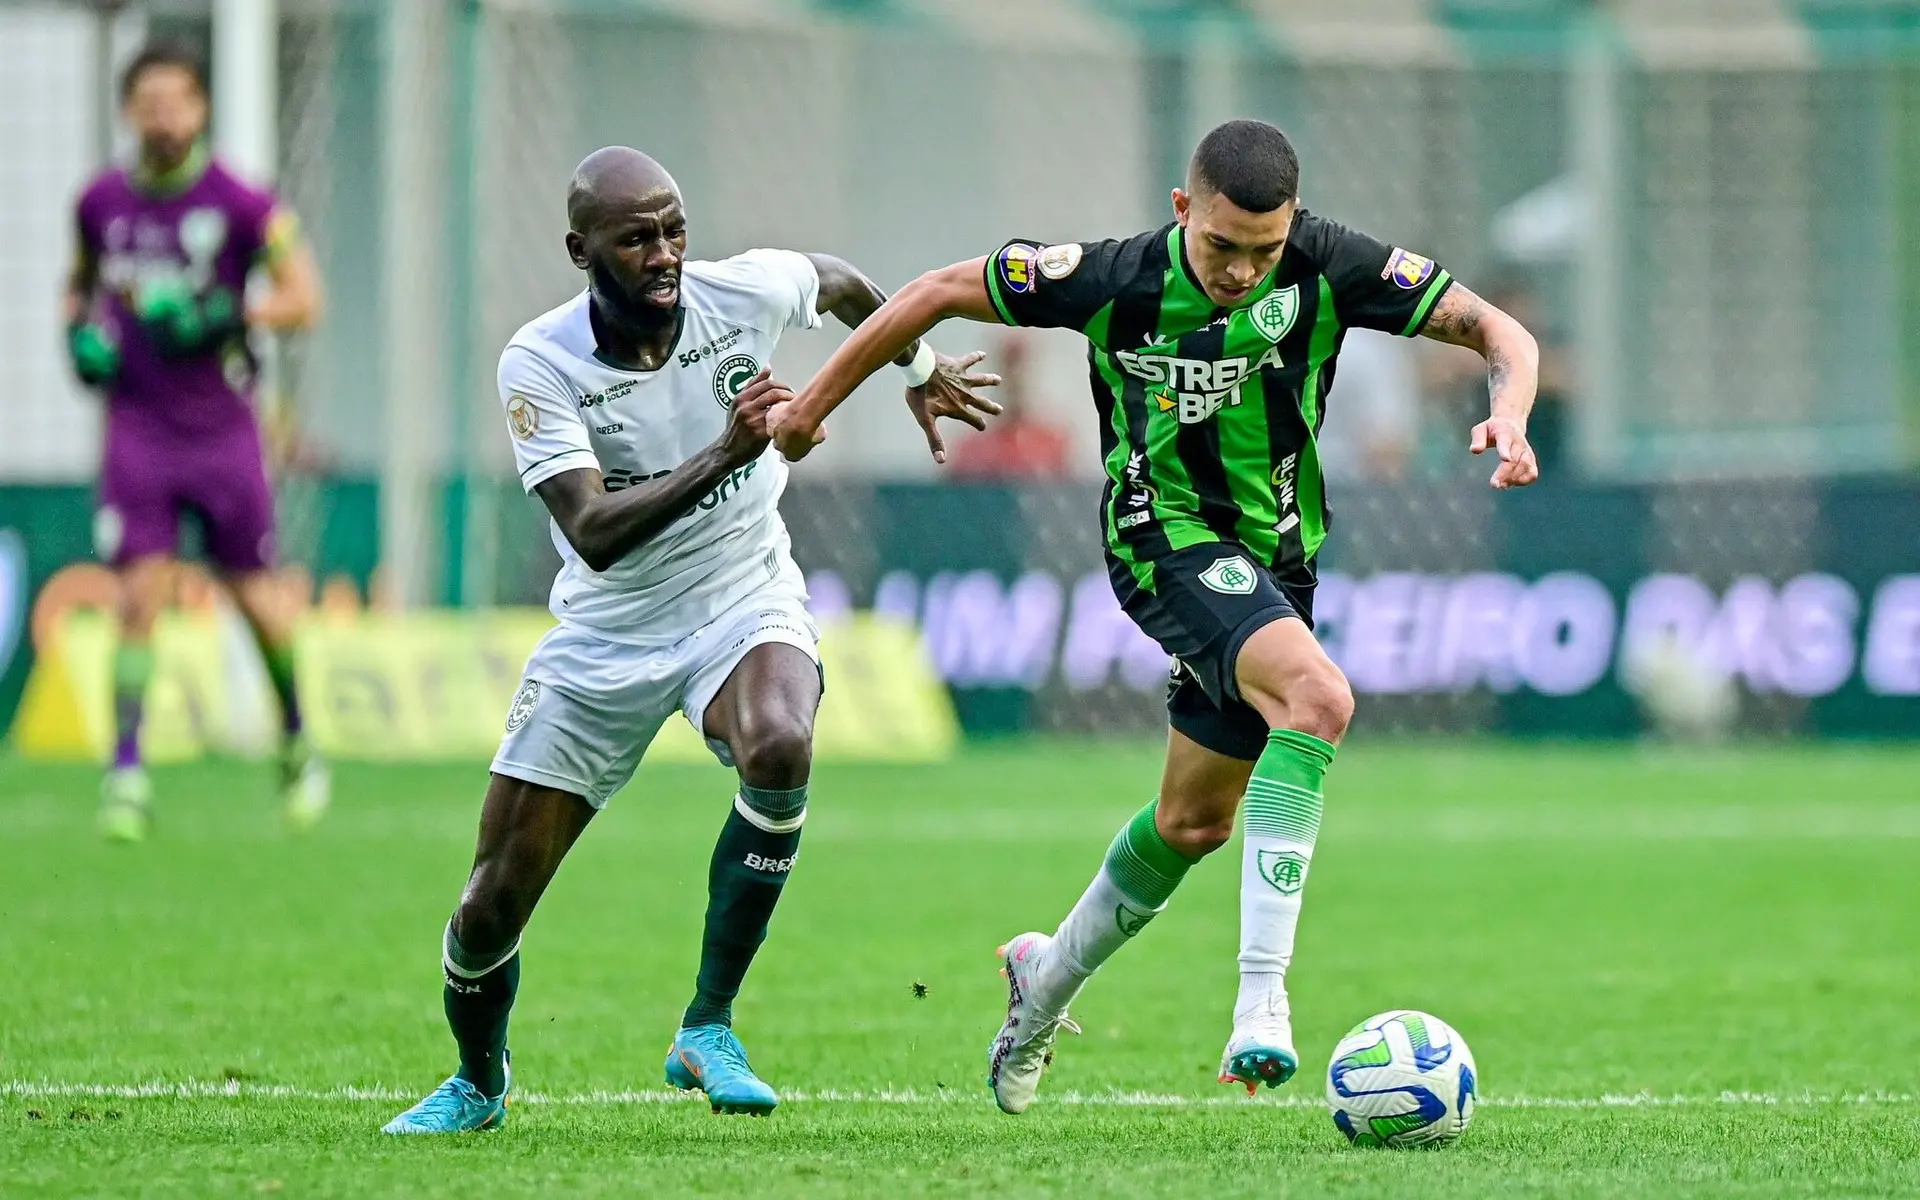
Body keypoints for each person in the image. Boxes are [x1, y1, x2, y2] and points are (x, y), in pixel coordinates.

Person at [773, 118, 1540, 1113]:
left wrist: (1511, 410)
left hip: (1278, 562)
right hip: (1159, 534)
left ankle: (1041, 981)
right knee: (1318, 698)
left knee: (1193, 821)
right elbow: (930, 293)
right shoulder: (1112, 277)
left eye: (1263, 252)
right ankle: (1262, 1004)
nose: (1240, 271)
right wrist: (815, 405)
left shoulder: (1332, 265)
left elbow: (1500, 332)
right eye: (1222, 247)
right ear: (1185, 211)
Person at [380, 147, 999, 1134]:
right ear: (582, 250)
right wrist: (727, 449)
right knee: (488, 906)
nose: (665, 254)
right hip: (607, 634)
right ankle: (478, 1082)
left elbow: (843, 285)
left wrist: (915, 370)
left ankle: (707, 1026)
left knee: (782, 744)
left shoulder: (737, 291)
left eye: (674, 229)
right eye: (637, 238)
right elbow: (592, 531)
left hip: (739, 594)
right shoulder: (539, 363)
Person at [65, 42, 328, 840]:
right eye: (149, 103)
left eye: (177, 102)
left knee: (255, 600)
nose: (163, 118)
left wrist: (229, 314)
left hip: (220, 432)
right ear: (128, 111)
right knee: (137, 597)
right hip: (138, 429)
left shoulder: (243, 204)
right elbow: (80, 286)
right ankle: (127, 770)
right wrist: (80, 334)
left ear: (201, 108)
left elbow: (304, 299)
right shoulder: (101, 203)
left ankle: (294, 737)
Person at [947, 332, 1074, 479]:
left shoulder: (1053, 444)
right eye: (1008, 366)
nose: (1014, 376)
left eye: (1020, 366)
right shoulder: (972, 448)